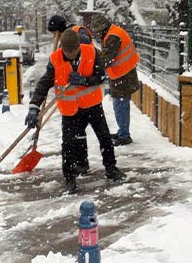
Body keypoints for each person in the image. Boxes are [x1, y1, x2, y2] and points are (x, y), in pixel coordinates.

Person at [25, 30, 126, 193]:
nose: (70, 55)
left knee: (105, 137)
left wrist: (86, 81)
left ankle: (111, 168)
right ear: (62, 49)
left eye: (73, 51)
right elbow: (44, 84)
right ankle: (70, 178)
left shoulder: (91, 52)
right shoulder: (55, 59)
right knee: (68, 144)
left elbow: (101, 76)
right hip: (70, 110)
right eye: (67, 52)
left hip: (92, 105)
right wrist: (33, 107)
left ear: (79, 46)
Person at [86, 12, 140, 146]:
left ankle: (124, 136)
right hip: (122, 73)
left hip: (124, 75)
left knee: (120, 105)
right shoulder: (113, 32)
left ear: (102, 29)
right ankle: (123, 131)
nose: (97, 35)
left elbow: (106, 59)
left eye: (98, 32)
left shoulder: (112, 37)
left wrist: (90, 70)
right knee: (120, 104)